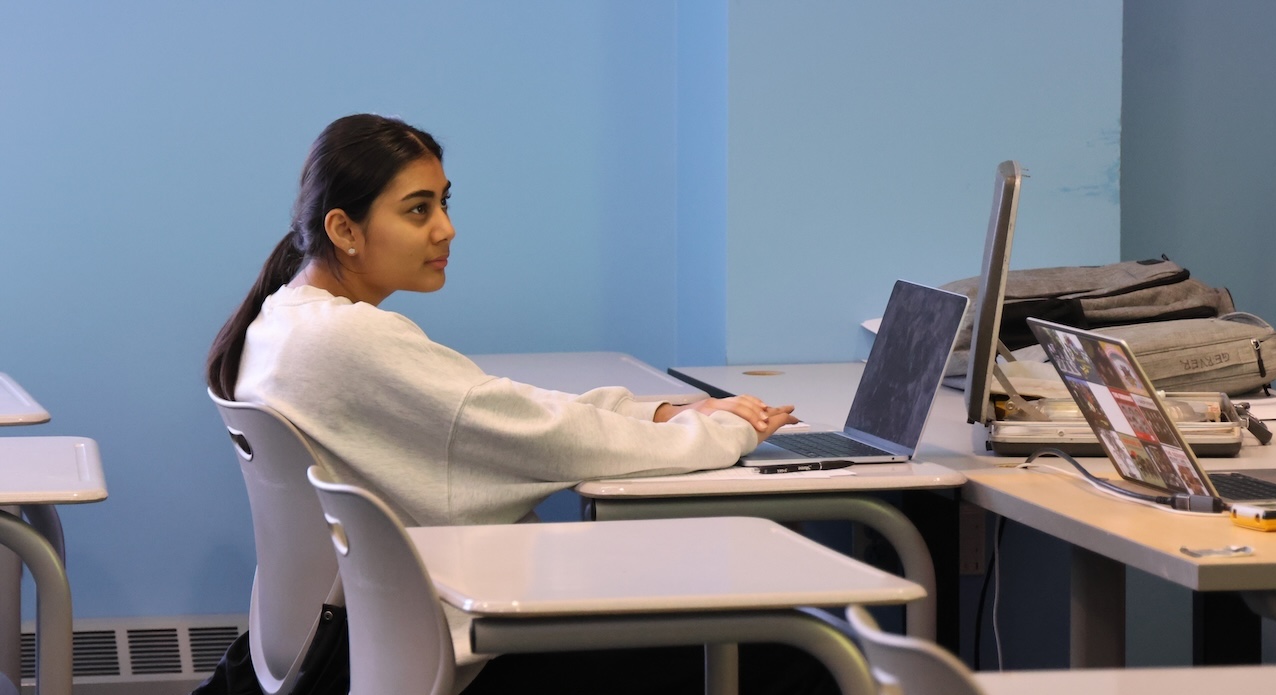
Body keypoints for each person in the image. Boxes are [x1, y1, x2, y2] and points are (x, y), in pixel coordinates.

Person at [201, 114, 828, 694]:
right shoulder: (347, 340)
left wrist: (658, 414)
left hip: (364, 639)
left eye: (443, 203)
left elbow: (499, 412)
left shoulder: (282, 321)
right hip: (442, 646)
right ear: (344, 229)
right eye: (418, 210)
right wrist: (726, 433)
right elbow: (541, 438)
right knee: (794, 657)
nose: (445, 228)